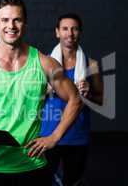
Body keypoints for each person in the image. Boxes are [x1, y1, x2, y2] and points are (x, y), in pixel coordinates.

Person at [0, 0, 83, 186]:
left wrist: (54, 137)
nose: (11, 26)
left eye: (17, 20)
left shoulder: (44, 63)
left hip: (31, 166)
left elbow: (75, 99)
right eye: (5, 20)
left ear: (25, 23)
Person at [40, 13, 103, 186]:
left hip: (77, 135)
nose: (70, 33)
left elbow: (101, 100)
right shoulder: (44, 63)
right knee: (43, 181)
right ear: (57, 32)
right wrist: (46, 89)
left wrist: (88, 94)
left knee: (73, 182)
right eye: (65, 29)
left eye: (74, 29)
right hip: (48, 133)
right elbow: (31, 99)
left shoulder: (91, 65)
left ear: (80, 32)